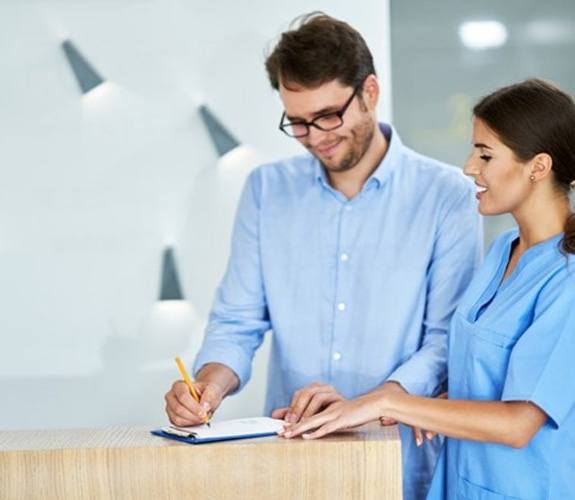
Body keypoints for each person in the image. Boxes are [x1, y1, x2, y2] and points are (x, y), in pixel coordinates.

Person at [164, 13, 481, 499]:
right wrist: (208, 385)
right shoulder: (266, 191)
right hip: (289, 464)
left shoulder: (447, 196)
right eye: (298, 122)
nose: (316, 136)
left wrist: (366, 405)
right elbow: (237, 321)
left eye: (329, 115)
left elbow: (445, 342)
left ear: (370, 92)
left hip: (399, 462)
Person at [281, 78, 575, 499]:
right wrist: (359, 406)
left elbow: (519, 423)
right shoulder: (501, 253)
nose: (469, 167)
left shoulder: (567, 279)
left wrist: (388, 402)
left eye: (485, 154)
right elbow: (481, 380)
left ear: (539, 167)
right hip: (460, 484)